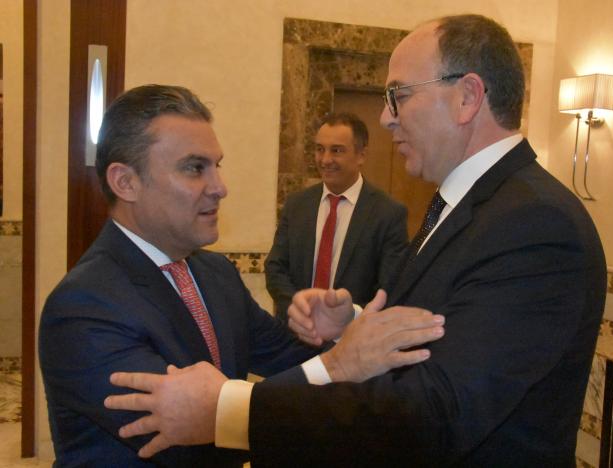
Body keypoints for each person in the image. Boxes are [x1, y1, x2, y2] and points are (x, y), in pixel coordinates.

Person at [105, 14, 607, 467]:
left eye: (399, 94)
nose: (386, 117)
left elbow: (436, 412)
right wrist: (356, 325)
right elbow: (448, 332)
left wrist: (229, 409)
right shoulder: (480, 206)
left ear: (467, 97)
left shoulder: (535, 223)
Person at [38, 85, 445, 467]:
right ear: (125, 182)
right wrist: (337, 366)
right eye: (194, 168)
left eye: (216, 166)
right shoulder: (84, 306)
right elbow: (190, 435)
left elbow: (289, 358)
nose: (220, 187)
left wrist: (344, 338)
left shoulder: (215, 273)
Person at [265, 112, 408, 319]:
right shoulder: (297, 205)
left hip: (352, 332)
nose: (325, 160)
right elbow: (275, 267)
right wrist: (300, 309)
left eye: (336, 150)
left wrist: (346, 317)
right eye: (320, 149)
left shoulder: (388, 214)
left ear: (361, 155)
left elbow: (389, 287)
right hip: (295, 330)